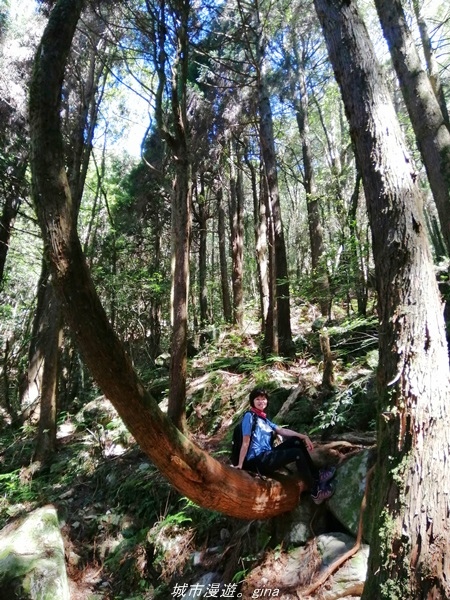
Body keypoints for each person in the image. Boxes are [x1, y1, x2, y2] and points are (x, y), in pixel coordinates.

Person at [235, 388, 336, 504]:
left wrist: (303, 436)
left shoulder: (264, 420)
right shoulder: (249, 416)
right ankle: (315, 491)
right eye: (257, 399)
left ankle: (317, 475)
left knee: (295, 441)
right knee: (296, 454)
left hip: (268, 455)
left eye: (263, 399)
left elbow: (282, 431)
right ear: (252, 401)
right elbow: (246, 441)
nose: (261, 401)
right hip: (258, 461)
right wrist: (240, 464)